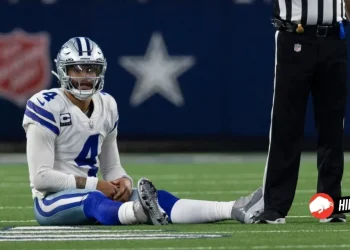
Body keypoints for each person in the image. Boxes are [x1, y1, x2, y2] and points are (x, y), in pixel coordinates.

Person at [22, 37, 263, 226]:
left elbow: (111, 166)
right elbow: (41, 178)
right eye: (77, 70)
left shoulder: (107, 104)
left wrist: (123, 181)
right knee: (94, 200)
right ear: (63, 71)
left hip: (94, 193)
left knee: (161, 197)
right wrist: (97, 185)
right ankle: (138, 212)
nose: (86, 77)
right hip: (51, 202)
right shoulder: (45, 105)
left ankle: (233, 208)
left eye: (91, 69)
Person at [255, 0, 349, 224]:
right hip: (294, 36)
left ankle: (331, 205)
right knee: (286, 124)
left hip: (335, 38)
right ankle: (275, 207)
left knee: (333, 125)